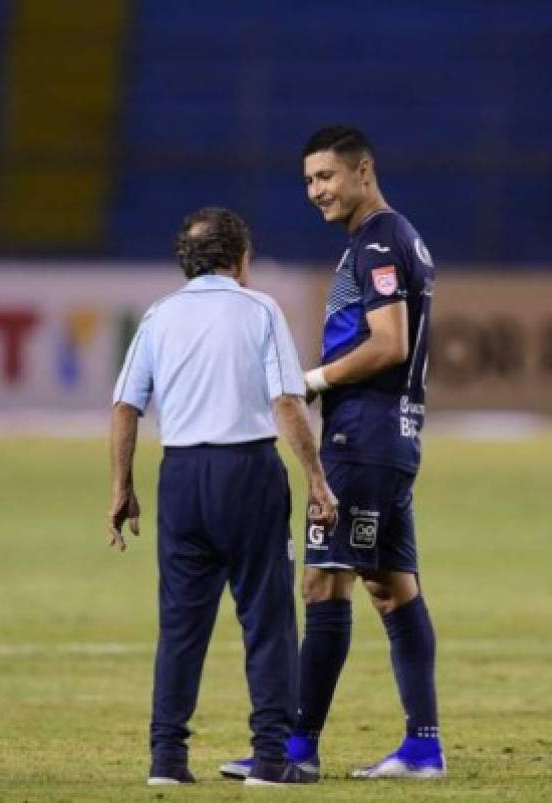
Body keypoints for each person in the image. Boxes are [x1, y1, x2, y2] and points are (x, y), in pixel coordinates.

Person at [221, 126, 444, 781]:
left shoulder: (378, 239)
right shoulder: (399, 237)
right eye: (309, 180)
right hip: (391, 438)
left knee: (323, 580)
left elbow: (388, 342)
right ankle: (422, 749)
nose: (316, 191)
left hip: (360, 440)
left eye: (326, 176)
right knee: (393, 587)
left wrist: (312, 380)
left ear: (363, 170)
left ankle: (297, 750)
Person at [109, 206, 337, 787]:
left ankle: (167, 759)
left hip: (181, 476)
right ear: (241, 259)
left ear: (187, 262)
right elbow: (286, 402)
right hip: (248, 472)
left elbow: (126, 405)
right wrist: (315, 478)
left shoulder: (160, 315)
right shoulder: (260, 308)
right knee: (268, 620)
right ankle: (268, 759)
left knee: (181, 626)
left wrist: (122, 487)